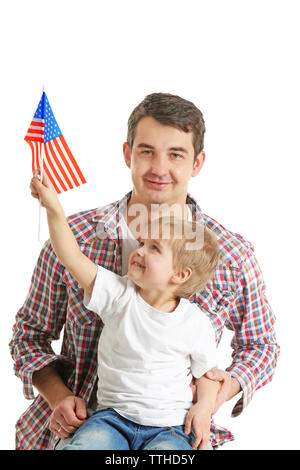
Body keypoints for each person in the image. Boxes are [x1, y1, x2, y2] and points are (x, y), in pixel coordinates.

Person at [10, 92, 280, 450]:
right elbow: (29, 335)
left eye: (176, 155)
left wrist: (213, 397)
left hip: (173, 432)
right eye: (147, 151)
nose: (159, 168)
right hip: (86, 429)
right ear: (128, 154)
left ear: (197, 163)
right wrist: (58, 396)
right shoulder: (76, 241)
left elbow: (260, 346)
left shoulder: (232, 255)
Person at [29, 170, 221, 450]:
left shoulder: (195, 323)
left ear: (180, 275)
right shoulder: (118, 294)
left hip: (170, 428)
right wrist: (54, 209)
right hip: (111, 420)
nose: (140, 250)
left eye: (153, 248)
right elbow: (70, 256)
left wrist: (203, 408)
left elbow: (207, 375)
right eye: (142, 243)